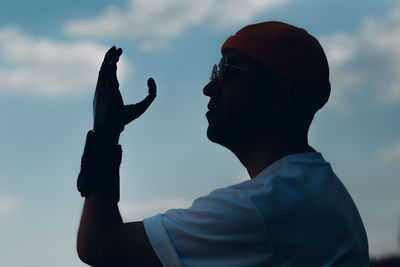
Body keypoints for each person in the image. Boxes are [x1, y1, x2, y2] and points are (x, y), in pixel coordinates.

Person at [76, 21, 369, 266]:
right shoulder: (317, 189)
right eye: (214, 72)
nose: (209, 87)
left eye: (227, 71)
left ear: (281, 95)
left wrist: (105, 132)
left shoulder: (263, 207)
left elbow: (100, 246)